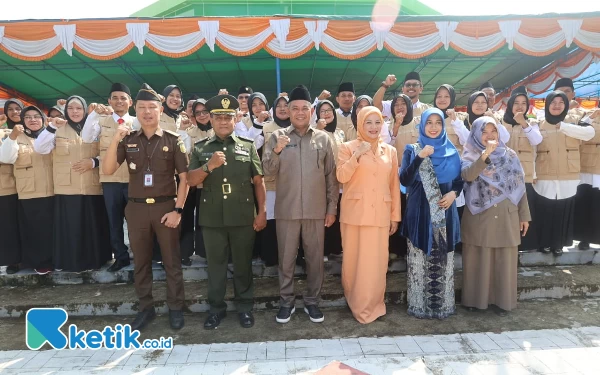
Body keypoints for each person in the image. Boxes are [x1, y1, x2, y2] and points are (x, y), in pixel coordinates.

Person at [103, 83, 189, 330]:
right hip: (137, 209)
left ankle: (175, 307)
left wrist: (178, 210)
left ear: (160, 110)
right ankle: (146, 308)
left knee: (172, 261)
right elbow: (108, 169)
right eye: (142, 108)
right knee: (140, 262)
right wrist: (115, 139)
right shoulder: (128, 139)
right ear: (136, 110)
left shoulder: (173, 140)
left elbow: (183, 178)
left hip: (165, 208)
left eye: (152, 107)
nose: (147, 112)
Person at [187, 94, 266, 330]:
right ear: (210, 119)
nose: (223, 122)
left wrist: (261, 212)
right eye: (218, 117)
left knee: (243, 265)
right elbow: (190, 181)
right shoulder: (201, 148)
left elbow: (259, 182)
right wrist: (208, 166)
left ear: (235, 119)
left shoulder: (247, 146)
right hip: (212, 219)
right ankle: (216, 309)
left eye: (228, 117)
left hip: (243, 217)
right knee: (216, 266)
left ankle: (244, 308)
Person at [262, 85, 339, 324]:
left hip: (316, 211)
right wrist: (276, 150)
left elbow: (331, 176)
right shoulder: (277, 137)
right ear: (287, 111)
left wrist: (331, 207)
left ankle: (312, 302)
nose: (299, 112)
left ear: (312, 110)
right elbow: (267, 170)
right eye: (293, 108)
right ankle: (287, 302)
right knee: (286, 259)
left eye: (304, 108)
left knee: (315, 260)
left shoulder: (323, 139)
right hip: (287, 210)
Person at [460, 117, 531, 315]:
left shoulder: (510, 155)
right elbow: (467, 176)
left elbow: (520, 186)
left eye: (494, 131)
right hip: (480, 216)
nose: (490, 136)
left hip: (507, 214)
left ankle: (503, 302)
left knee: (505, 260)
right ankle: (476, 301)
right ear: (475, 134)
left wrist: (524, 216)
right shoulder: (469, 154)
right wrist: (485, 156)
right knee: (478, 259)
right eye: (485, 132)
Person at [336, 106, 400, 323]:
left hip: (380, 213)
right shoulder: (347, 147)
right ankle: (356, 303)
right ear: (359, 124)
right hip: (355, 214)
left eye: (377, 122)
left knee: (377, 262)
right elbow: (341, 176)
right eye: (368, 122)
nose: (373, 127)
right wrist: (357, 154)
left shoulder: (390, 151)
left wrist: (395, 216)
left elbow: (393, 185)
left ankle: (374, 304)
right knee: (355, 261)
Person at [34, 95, 111, 273]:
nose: (75, 112)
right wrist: (52, 127)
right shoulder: (57, 129)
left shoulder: (96, 128)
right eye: (71, 108)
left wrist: (94, 161)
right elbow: (40, 148)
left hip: (92, 186)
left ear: (85, 110)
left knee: (93, 226)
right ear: (65, 110)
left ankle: (96, 260)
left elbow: (108, 151)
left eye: (78, 108)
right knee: (70, 229)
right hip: (66, 187)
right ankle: (70, 263)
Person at [400, 108, 462, 319]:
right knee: (419, 260)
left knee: (444, 261)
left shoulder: (452, 151)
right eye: (429, 123)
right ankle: (418, 307)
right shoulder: (412, 149)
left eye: (438, 123)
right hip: (420, 213)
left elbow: (459, 180)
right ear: (422, 125)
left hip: (446, 214)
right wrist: (419, 157)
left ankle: (444, 307)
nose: (434, 127)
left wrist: (454, 193)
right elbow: (405, 180)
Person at [533, 91, 595, 255]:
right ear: (547, 105)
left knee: (563, 210)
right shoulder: (539, 124)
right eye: (553, 102)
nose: (557, 105)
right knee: (545, 210)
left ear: (566, 105)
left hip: (568, 175)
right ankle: (544, 243)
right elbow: (532, 150)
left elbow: (590, 134)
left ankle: (558, 244)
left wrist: (563, 126)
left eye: (561, 102)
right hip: (545, 174)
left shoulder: (573, 121)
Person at [82, 83, 135, 272]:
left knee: (136, 221)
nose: (119, 101)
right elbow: (87, 138)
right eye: (115, 98)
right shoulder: (101, 121)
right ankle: (120, 257)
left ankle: (140, 254)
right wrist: (95, 114)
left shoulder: (136, 123)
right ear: (109, 101)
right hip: (110, 180)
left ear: (130, 101)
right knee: (114, 222)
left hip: (133, 179)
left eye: (123, 98)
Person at [0, 106, 54, 275]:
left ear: (43, 119)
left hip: (53, 188)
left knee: (53, 227)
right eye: (28, 117)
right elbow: (6, 158)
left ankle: (56, 258)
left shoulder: (52, 135)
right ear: (23, 120)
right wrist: (13, 136)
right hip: (29, 191)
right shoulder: (16, 137)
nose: (32, 120)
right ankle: (39, 262)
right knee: (34, 229)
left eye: (37, 116)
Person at [501, 86, 542, 251]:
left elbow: (537, 140)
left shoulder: (532, 123)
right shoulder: (501, 122)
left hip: (525, 175)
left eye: (523, 103)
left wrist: (524, 123)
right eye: (516, 103)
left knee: (524, 213)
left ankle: (524, 245)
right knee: (508, 212)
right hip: (504, 177)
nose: (519, 106)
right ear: (510, 105)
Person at [257, 95, 290, 267]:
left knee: (290, 220)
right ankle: (271, 256)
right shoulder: (265, 127)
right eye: (279, 106)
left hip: (291, 182)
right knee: (271, 219)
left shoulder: (297, 127)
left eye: (286, 105)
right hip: (270, 181)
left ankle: (293, 256)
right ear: (274, 109)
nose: (283, 109)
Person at [180, 99, 214, 262]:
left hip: (207, 184)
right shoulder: (189, 131)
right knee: (186, 218)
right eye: (198, 113)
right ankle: (184, 253)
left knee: (205, 219)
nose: (202, 115)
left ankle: (205, 252)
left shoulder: (217, 131)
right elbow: (184, 153)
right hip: (189, 182)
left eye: (205, 112)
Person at [315, 100, 346, 258]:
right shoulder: (314, 132)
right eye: (323, 111)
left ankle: (336, 248)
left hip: (340, 181)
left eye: (329, 110)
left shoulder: (340, 132)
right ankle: (324, 250)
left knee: (338, 214)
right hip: (323, 181)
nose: (326, 114)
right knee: (325, 215)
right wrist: (317, 129)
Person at [0, 101, 22, 274]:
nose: (15, 112)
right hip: (8, 186)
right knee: (9, 225)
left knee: (28, 223)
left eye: (18, 108)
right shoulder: (2, 132)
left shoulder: (32, 127)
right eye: (10, 109)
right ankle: (13, 260)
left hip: (30, 185)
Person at [575, 108, 600, 250]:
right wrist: (591, 117)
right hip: (585, 169)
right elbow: (579, 131)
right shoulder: (590, 115)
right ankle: (584, 238)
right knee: (585, 205)